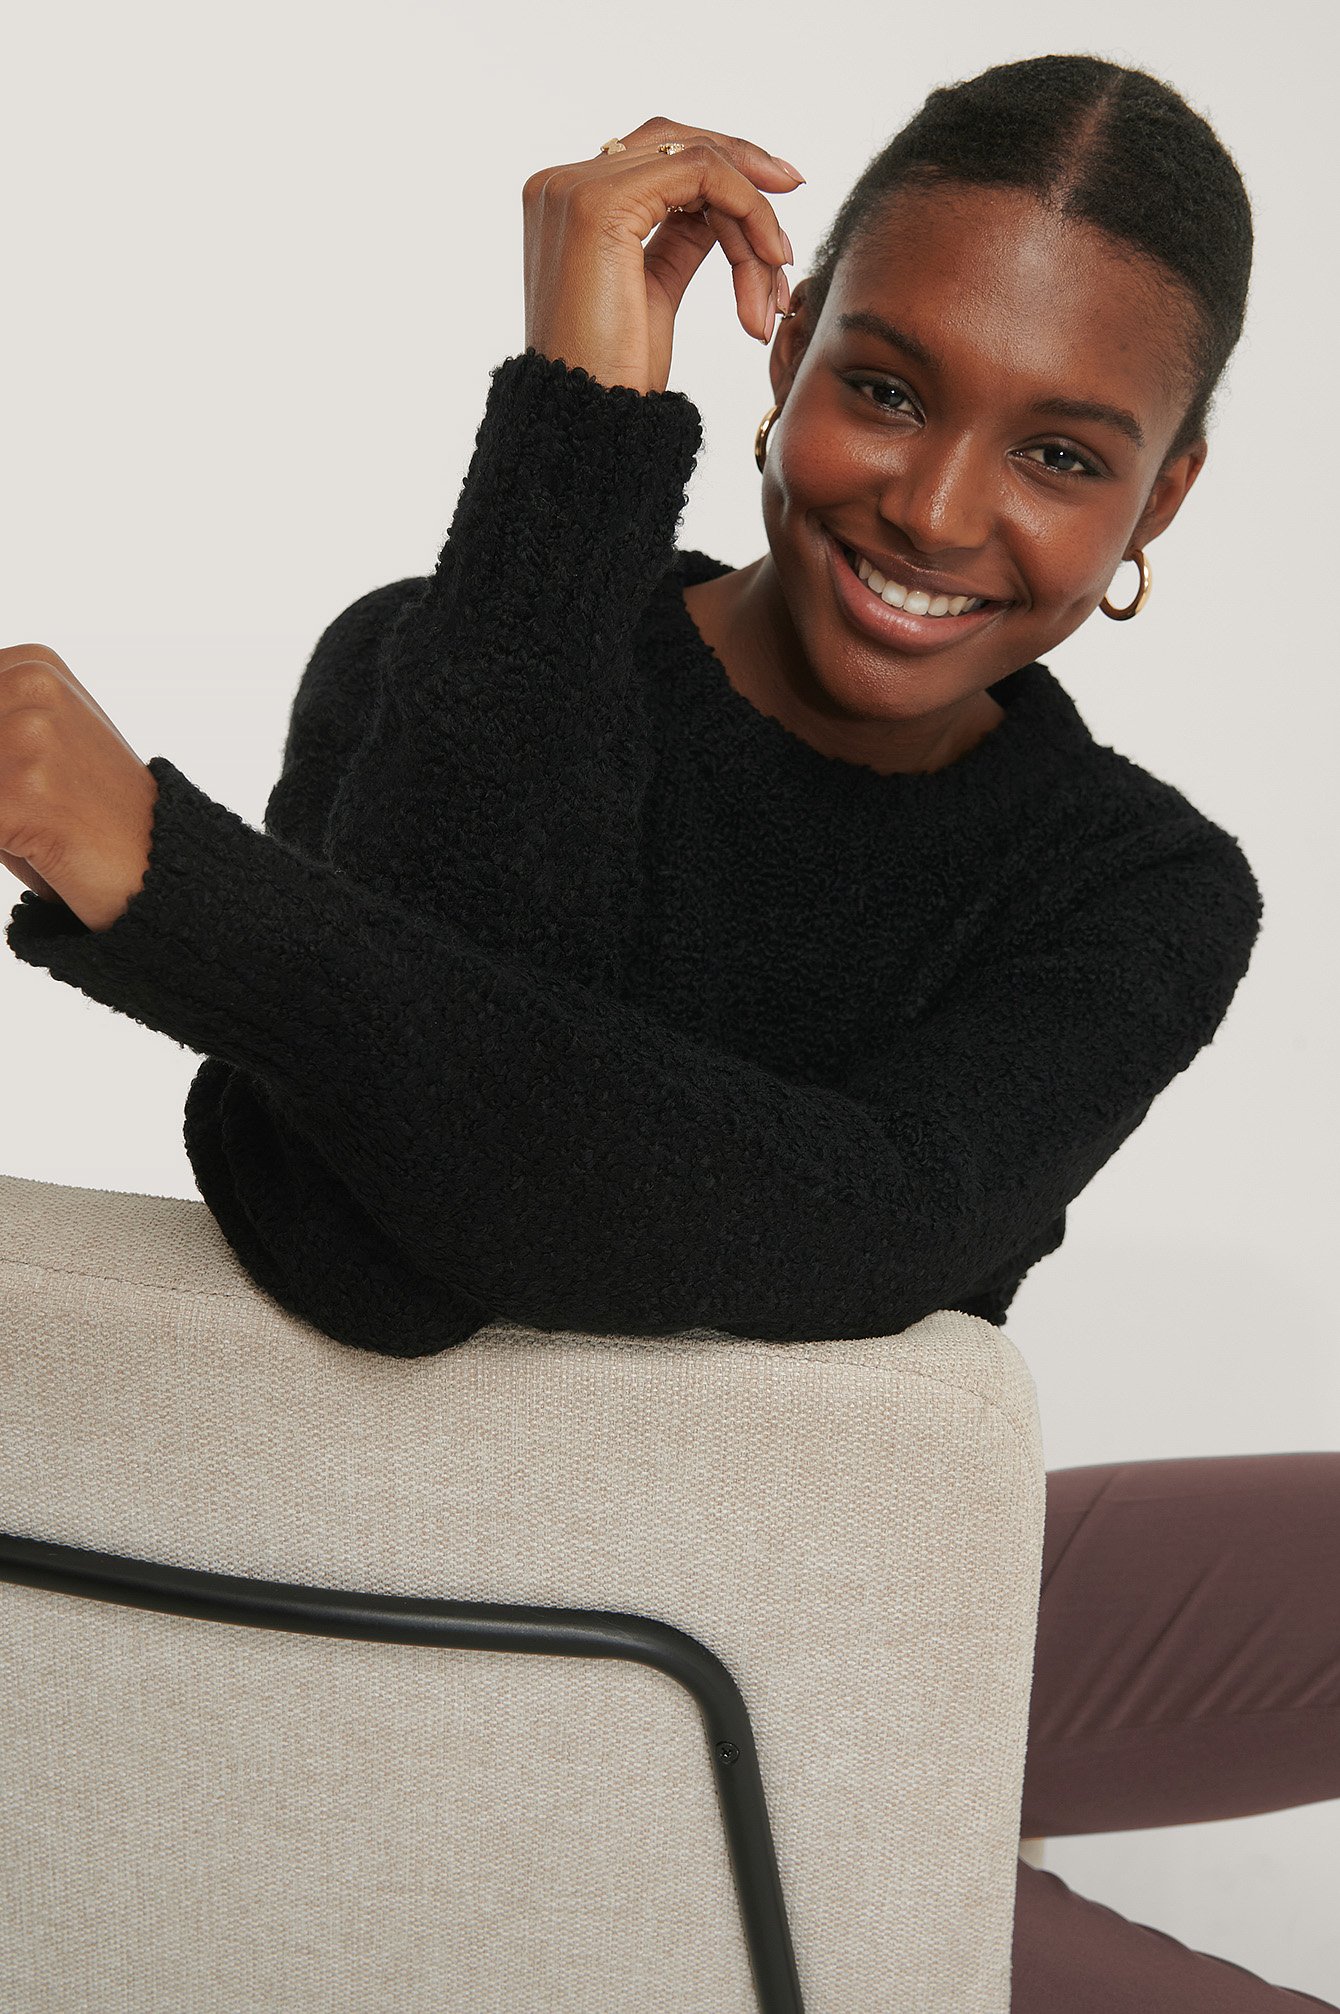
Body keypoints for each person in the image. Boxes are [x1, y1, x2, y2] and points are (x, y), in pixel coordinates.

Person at [6, 50, 1336, 2010]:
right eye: (887, 388)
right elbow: (366, 1252)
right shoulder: (447, 659)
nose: (937, 510)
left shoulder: (1134, 887)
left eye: (1064, 455)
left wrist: (178, 889)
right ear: (782, 351)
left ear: (1167, 493)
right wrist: (576, 427)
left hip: (820, 1630)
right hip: (428, 1657)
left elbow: (846, 1219)